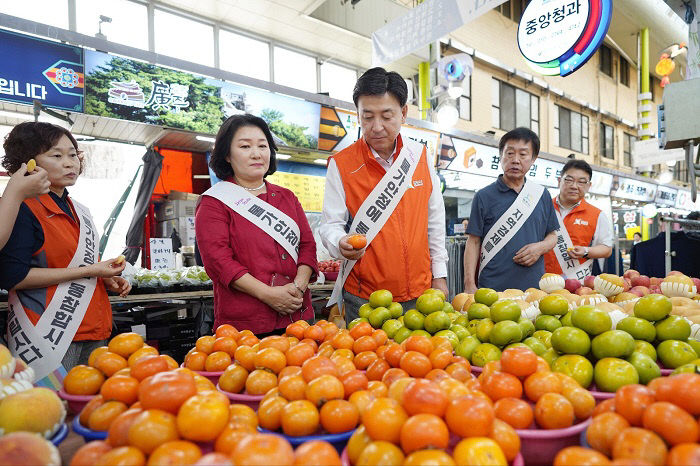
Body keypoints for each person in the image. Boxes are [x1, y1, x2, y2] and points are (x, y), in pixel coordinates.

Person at [319, 67, 448, 324]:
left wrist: (440, 275)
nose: (376, 127)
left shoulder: (419, 157)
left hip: (422, 293)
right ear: (357, 115)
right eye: (367, 117)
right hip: (365, 297)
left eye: (387, 116)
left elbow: (434, 224)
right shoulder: (341, 164)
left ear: (403, 113)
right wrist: (340, 243)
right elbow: (330, 225)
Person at [0, 122, 131, 376]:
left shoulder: (80, 210)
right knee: (53, 411)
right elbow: (13, 276)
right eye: (56, 155)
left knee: (90, 411)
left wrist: (104, 278)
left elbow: (75, 264)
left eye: (73, 154)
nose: (70, 163)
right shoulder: (21, 208)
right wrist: (89, 270)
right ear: (28, 163)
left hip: (95, 328)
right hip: (47, 336)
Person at [195, 114, 317, 336]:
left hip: (298, 316)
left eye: (263, 146)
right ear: (227, 155)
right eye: (245, 146)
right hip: (246, 326)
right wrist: (268, 295)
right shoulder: (214, 201)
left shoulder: (287, 197)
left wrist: (299, 287)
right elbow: (219, 262)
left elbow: (307, 246)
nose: (256, 153)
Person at [463, 127, 558, 293]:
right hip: (492, 289)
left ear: (533, 158)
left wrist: (540, 248)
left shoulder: (541, 194)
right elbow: (473, 241)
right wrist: (469, 283)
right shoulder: (484, 196)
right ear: (501, 156)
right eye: (509, 153)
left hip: (533, 289)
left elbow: (552, 236)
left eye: (523, 154)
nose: (515, 160)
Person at [543, 159, 613, 279]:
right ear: (559, 181)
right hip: (540, 280)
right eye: (569, 180)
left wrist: (586, 251)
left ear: (589, 186)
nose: (574, 186)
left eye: (581, 182)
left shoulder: (597, 215)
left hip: (575, 283)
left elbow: (606, 249)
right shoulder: (542, 208)